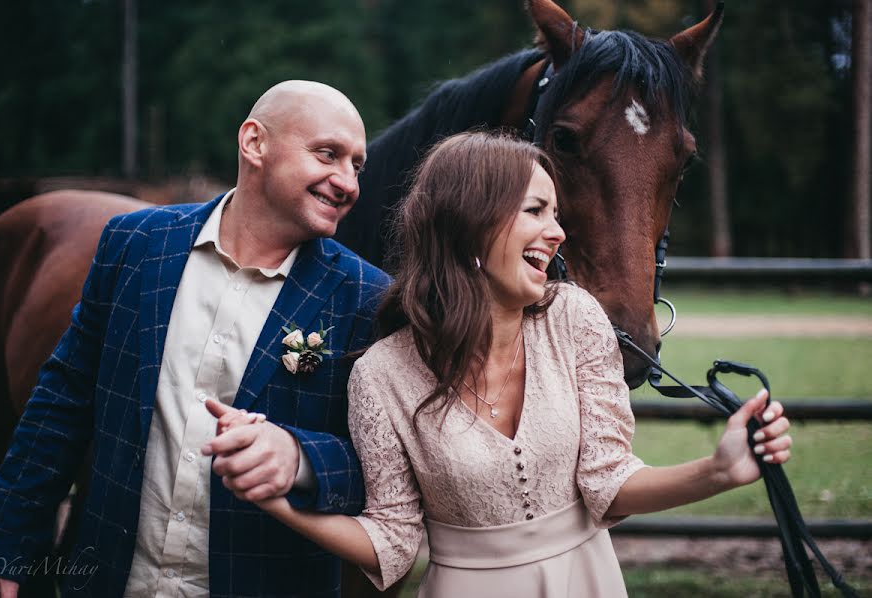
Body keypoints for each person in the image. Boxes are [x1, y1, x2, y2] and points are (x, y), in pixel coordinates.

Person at [206, 131, 793, 597]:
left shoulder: (575, 319)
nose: (558, 232)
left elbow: (608, 483)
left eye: (555, 213)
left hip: (589, 583)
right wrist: (275, 499)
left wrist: (717, 471)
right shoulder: (382, 375)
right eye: (537, 210)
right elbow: (391, 541)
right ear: (471, 223)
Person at [0, 80, 390, 597]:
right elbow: (63, 404)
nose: (347, 183)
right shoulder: (135, 246)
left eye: (357, 165)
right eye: (328, 155)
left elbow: (383, 472)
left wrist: (299, 457)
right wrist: (3, 549)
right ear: (254, 143)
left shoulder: (367, 299)